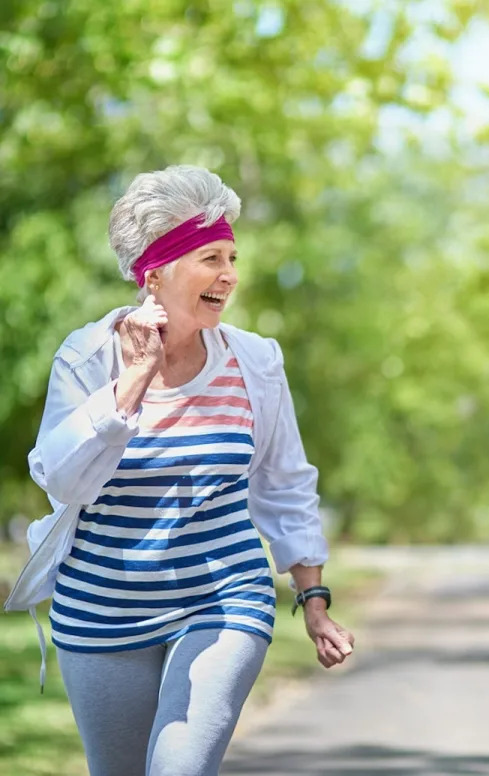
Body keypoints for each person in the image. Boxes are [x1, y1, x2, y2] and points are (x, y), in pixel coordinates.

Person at [5, 165, 354, 776]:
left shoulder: (255, 362)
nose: (230, 275)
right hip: (102, 606)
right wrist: (130, 386)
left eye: (232, 257)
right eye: (211, 258)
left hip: (223, 597)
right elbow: (61, 481)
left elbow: (284, 482)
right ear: (155, 272)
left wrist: (314, 597)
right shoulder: (86, 358)